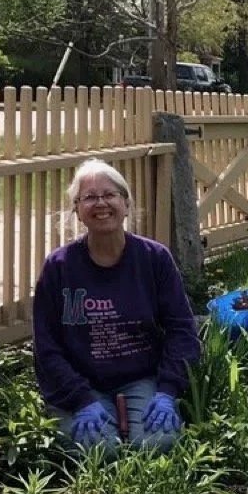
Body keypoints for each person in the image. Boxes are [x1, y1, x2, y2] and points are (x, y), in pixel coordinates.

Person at [33, 159, 200, 453]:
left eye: (109, 194)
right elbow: (46, 347)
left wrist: (167, 391)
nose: (101, 203)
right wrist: (80, 398)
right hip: (79, 383)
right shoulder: (59, 267)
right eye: (89, 197)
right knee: (99, 451)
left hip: (140, 378)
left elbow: (182, 329)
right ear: (77, 210)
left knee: (157, 443)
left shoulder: (154, 258)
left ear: (126, 204)